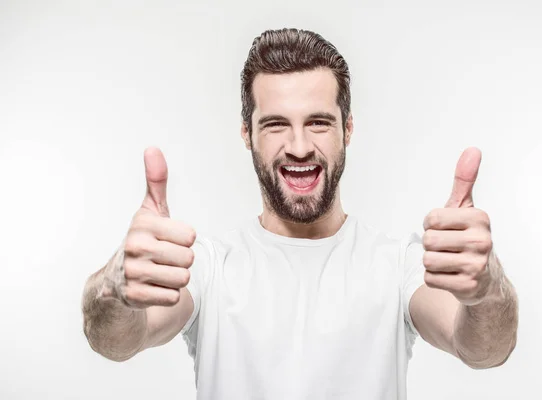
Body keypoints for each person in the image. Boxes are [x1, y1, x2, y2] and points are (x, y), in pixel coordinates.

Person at [81, 28, 518, 400]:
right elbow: (117, 341)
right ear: (247, 135)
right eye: (275, 125)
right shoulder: (208, 267)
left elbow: (484, 349)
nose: (299, 146)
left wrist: (487, 289)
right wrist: (114, 288)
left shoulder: (398, 264)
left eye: (319, 122)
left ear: (348, 128)